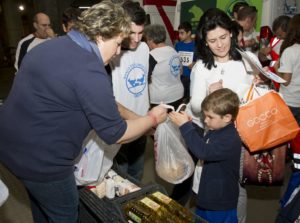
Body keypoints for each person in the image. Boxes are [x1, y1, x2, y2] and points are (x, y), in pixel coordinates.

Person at [0, 2, 167, 222]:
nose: (118, 51)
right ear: (100, 35)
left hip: (9, 146)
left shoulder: (52, 46)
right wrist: (152, 118)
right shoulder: (90, 69)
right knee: (65, 212)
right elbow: (116, 133)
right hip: (44, 162)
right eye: (118, 43)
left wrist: (138, 119)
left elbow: (105, 103)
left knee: (41, 204)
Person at [190, 8, 263, 223]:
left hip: (241, 141)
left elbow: (256, 102)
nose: (220, 45)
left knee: (236, 197)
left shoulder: (246, 60)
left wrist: (260, 87)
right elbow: (194, 108)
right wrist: (208, 96)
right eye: (212, 40)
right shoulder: (201, 67)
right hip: (212, 139)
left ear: (231, 33)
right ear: (204, 41)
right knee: (210, 194)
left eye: (223, 37)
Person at [169, 88, 241, 223]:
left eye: (210, 117)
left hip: (220, 202)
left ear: (227, 118)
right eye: (204, 116)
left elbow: (204, 152)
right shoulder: (216, 129)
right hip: (206, 195)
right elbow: (203, 144)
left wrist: (185, 126)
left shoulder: (230, 139)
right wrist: (189, 125)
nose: (205, 121)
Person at [110, 0, 150, 181]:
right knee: (121, 176)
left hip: (142, 122)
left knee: (137, 173)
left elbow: (144, 87)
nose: (136, 39)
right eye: (131, 33)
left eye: (140, 33)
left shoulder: (144, 48)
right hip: (121, 126)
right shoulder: (111, 53)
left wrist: (147, 118)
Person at [274, 14, 300, 221]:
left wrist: (273, 71)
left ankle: (275, 170)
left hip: (289, 101)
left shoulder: (290, 51)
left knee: (282, 141)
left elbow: (286, 79)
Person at [143, 24, 184, 109]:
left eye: (147, 40)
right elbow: (180, 71)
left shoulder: (151, 55)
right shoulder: (173, 51)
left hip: (161, 99)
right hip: (178, 94)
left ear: (151, 40)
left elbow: (144, 80)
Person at [258, 15, 290, 90]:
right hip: (273, 81)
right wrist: (262, 52)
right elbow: (264, 60)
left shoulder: (293, 45)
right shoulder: (274, 40)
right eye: (276, 34)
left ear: (288, 31)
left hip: (287, 84)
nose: (278, 37)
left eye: (280, 35)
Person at [175, 21, 195, 103]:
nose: (179, 35)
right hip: (180, 77)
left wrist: (195, 63)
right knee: (181, 99)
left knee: (190, 99)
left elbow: (202, 60)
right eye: (179, 33)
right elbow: (175, 59)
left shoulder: (196, 45)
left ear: (189, 33)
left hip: (191, 77)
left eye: (182, 33)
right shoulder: (178, 45)